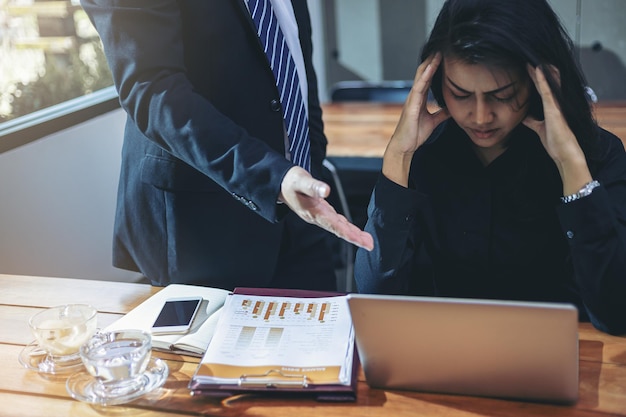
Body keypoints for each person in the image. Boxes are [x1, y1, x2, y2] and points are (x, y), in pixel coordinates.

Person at [355, 0, 626, 335]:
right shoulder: (425, 155)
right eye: (461, 94)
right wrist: (398, 156)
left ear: (538, 83)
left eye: (502, 95)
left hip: (563, 367)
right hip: (444, 362)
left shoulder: (598, 155)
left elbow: (616, 315)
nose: (481, 116)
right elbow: (373, 305)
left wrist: (569, 162)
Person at [80, 0, 373, 291]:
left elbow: (294, 59)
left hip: (303, 209)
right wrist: (273, 178)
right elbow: (152, 91)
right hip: (204, 228)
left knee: (324, 334)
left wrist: (311, 159)